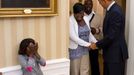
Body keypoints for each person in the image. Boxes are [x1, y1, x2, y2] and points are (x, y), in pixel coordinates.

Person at [90, 0, 129, 75]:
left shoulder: (115, 11)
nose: (99, 4)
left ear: (104, 1)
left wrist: (96, 45)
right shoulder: (111, 10)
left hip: (115, 55)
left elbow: (111, 36)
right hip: (110, 54)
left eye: (100, 2)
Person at [69, 2, 97, 75]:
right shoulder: (70, 21)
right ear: (74, 13)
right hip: (75, 51)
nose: (80, 16)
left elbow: (89, 33)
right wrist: (89, 45)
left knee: (85, 71)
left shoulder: (86, 19)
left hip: (85, 50)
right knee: (75, 72)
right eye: (78, 13)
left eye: (82, 13)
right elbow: (74, 38)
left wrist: (96, 43)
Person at [84, 0, 103, 75]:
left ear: (92, 5)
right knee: (84, 65)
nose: (88, 6)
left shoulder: (98, 17)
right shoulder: (80, 15)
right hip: (82, 45)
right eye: (86, 4)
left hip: (94, 45)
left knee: (94, 64)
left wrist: (96, 30)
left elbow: (102, 29)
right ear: (83, 5)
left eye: (90, 4)